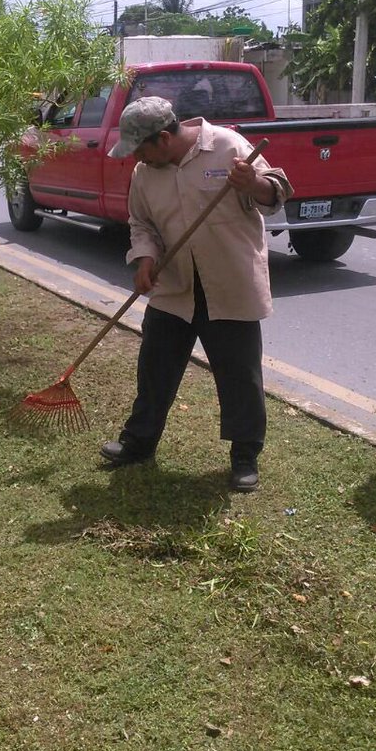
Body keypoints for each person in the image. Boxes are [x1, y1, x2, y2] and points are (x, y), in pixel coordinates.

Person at [98, 96, 292, 493]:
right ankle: (139, 442)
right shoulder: (144, 173)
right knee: (155, 368)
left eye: (141, 148)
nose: (137, 157)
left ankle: (244, 456)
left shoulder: (228, 146)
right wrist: (146, 259)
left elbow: (277, 194)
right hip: (175, 286)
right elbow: (142, 224)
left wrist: (253, 183)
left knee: (240, 376)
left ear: (165, 138)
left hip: (229, 282)